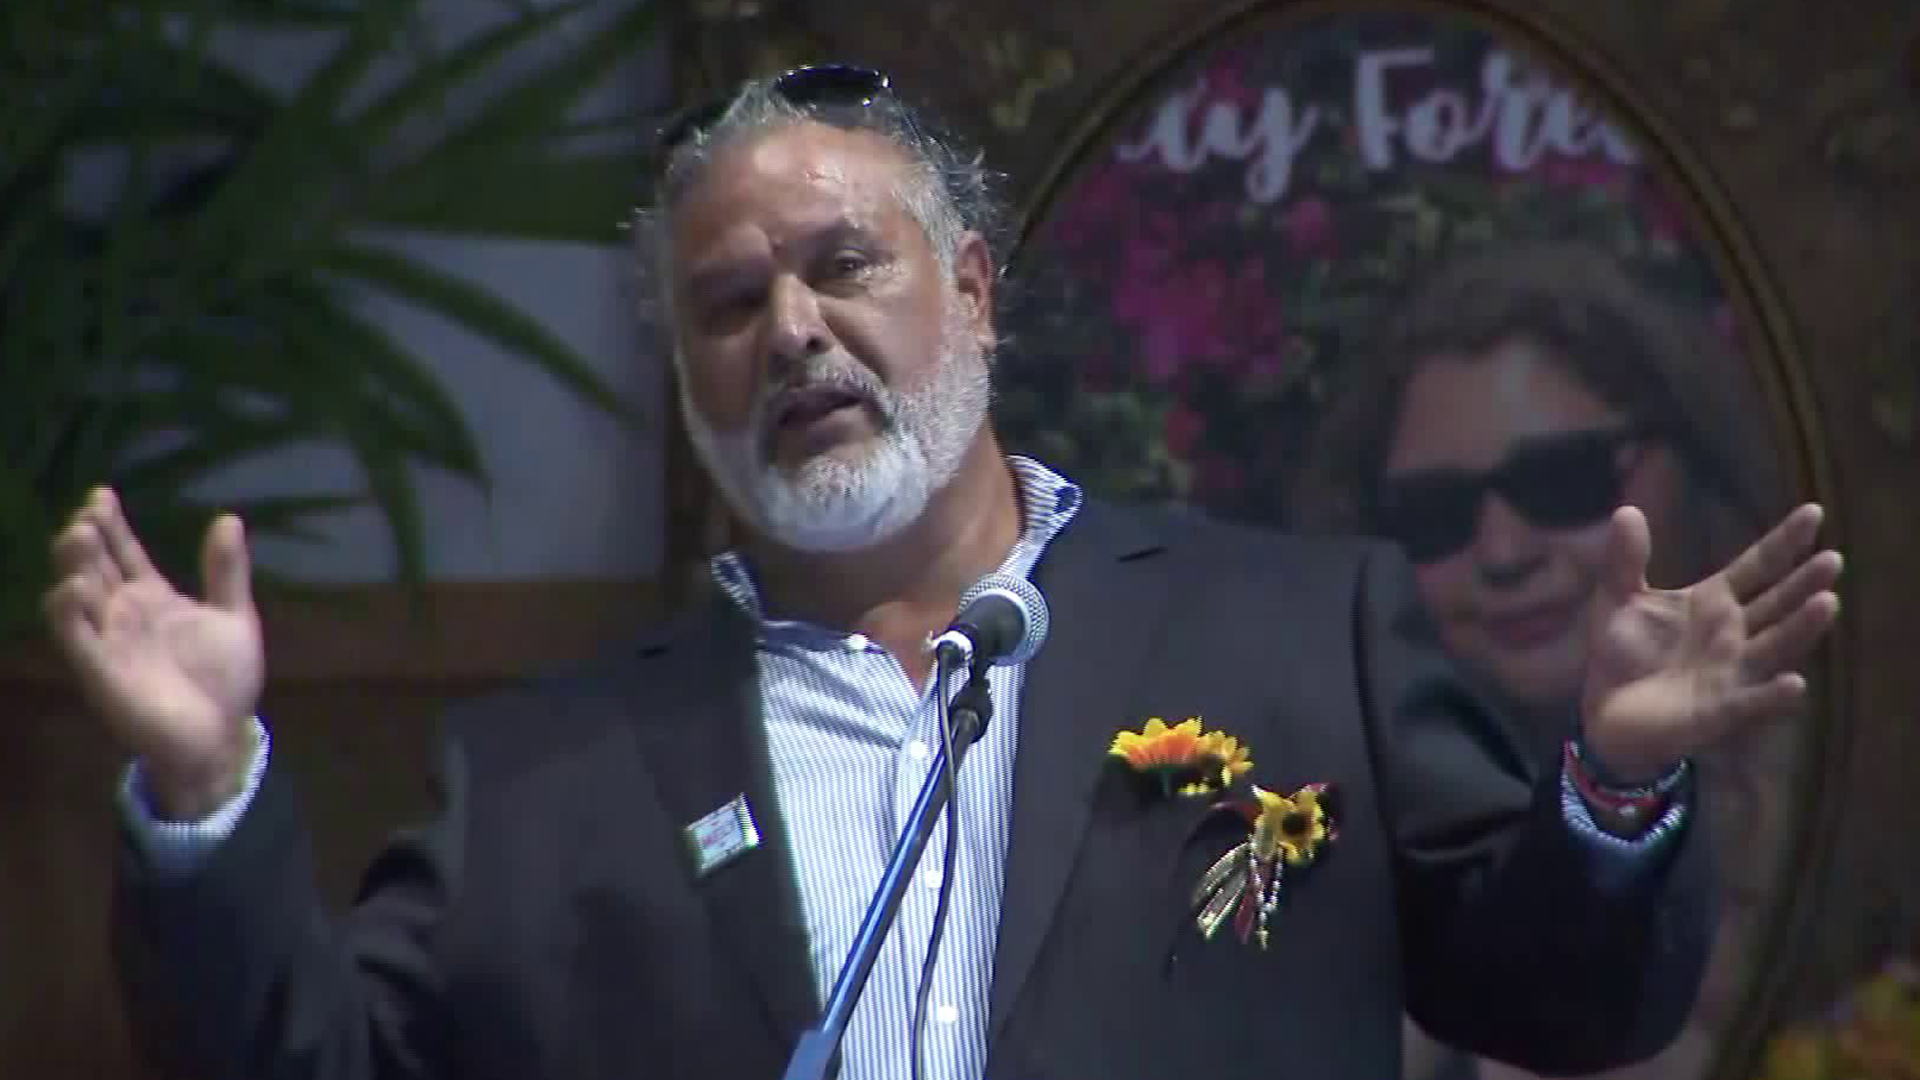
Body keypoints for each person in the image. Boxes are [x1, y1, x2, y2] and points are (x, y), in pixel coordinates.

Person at [47, 66, 1843, 1080]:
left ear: (975, 292)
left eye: (845, 265)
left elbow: (1567, 1006)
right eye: (731, 307)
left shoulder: (1303, 636)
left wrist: (1613, 778)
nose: (797, 330)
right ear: (689, 386)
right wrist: (207, 787)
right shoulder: (539, 786)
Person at [1292, 243, 1806, 1079]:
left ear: (1697, 468)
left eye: (1562, 482)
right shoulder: (1321, 851)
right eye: (1437, 513)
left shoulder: (1859, 793)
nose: (1503, 551)